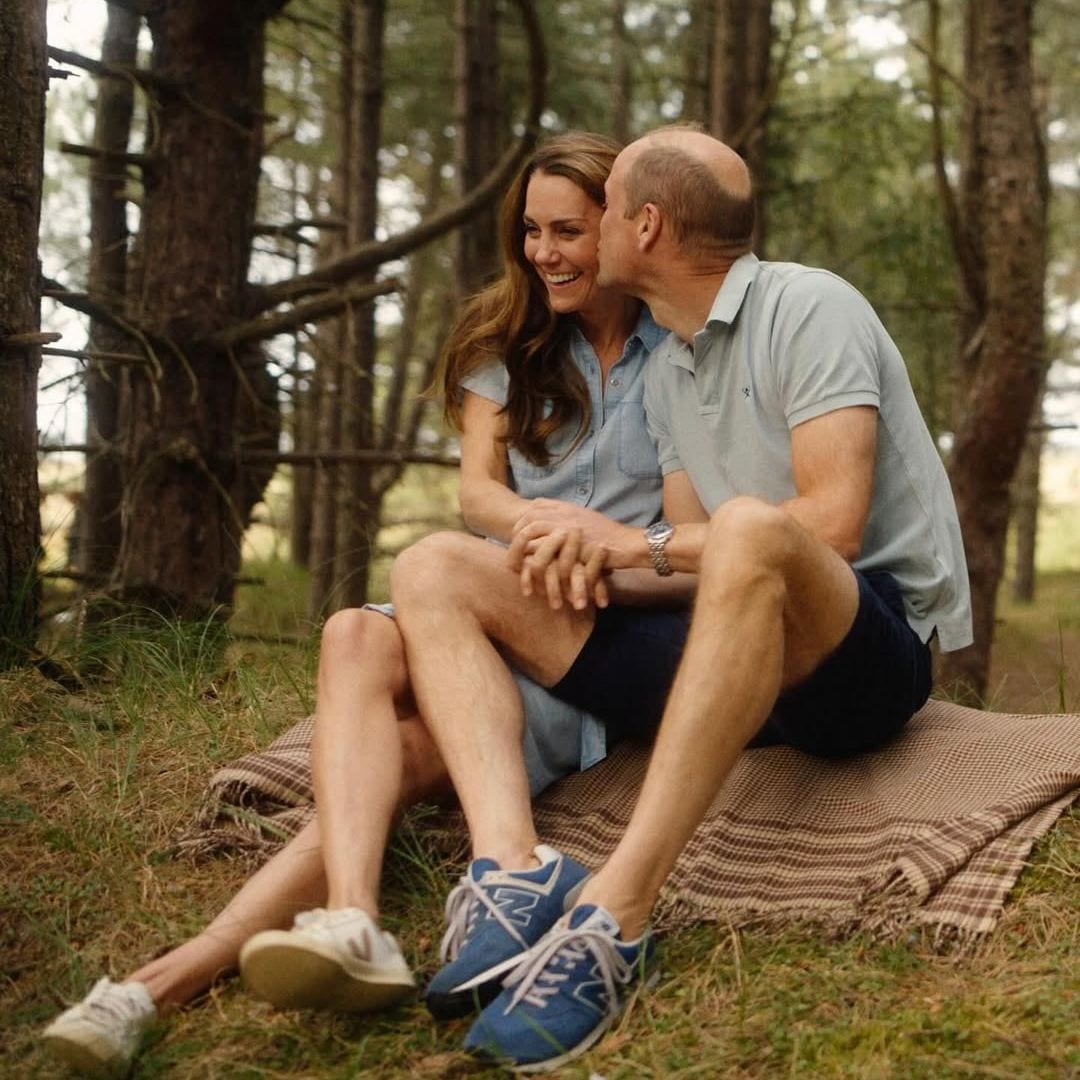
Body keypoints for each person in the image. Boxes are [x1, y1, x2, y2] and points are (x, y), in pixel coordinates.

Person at [40, 131, 681, 1076]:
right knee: (349, 630)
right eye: (532, 231)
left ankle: (165, 980)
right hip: (473, 602)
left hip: (580, 635)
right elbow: (477, 494)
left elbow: (688, 526)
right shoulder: (506, 344)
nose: (545, 252)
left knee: (407, 760)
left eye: (570, 232)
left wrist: (596, 554)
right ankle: (354, 920)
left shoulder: (683, 352)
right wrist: (550, 528)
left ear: (625, 231)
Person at [388, 124, 973, 1072]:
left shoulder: (809, 306)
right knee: (436, 566)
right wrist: (580, 559)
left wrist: (638, 543)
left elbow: (829, 524)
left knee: (751, 527)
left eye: (605, 210)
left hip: (856, 654)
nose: (582, 232)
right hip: (727, 652)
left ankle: (614, 918)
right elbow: (680, 561)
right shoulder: (672, 368)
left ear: (645, 226)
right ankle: (514, 870)